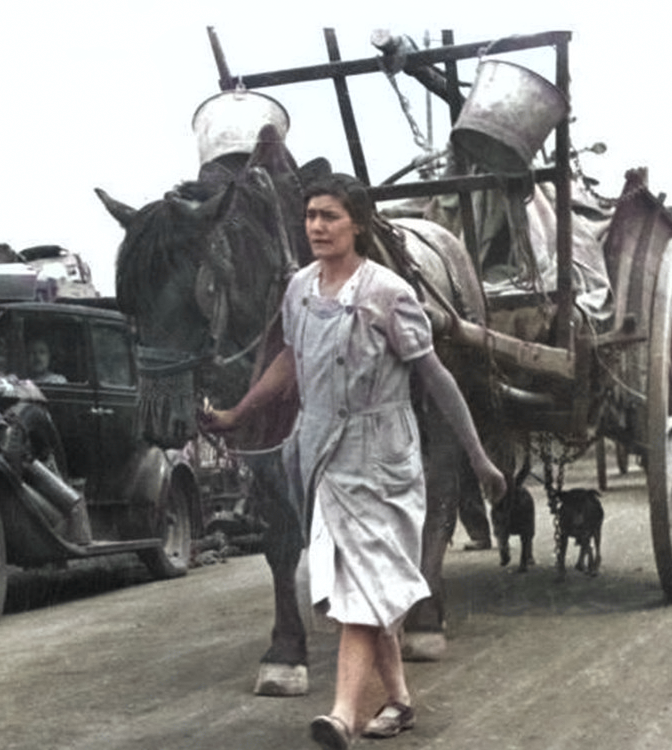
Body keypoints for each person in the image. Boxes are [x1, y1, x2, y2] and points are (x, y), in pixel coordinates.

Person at [201, 173, 505, 747]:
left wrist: (478, 457)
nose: (316, 226)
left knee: (358, 589)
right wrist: (237, 414)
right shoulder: (298, 290)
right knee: (354, 584)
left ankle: (341, 713)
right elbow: (290, 361)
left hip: (381, 458)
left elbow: (435, 378)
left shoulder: (389, 293)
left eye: (329, 216)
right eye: (311, 215)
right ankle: (399, 700)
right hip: (319, 456)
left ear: (357, 223)